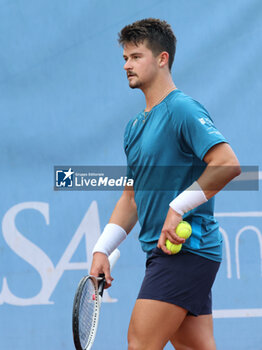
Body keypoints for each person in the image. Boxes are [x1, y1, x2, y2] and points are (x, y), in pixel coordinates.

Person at [90, 18, 241, 350]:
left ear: (162, 59)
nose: (127, 65)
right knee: (194, 347)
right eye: (125, 58)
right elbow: (131, 198)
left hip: (187, 250)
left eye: (136, 56)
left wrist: (177, 207)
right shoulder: (134, 128)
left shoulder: (182, 109)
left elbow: (227, 164)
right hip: (166, 253)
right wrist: (103, 247)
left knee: (140, 343)